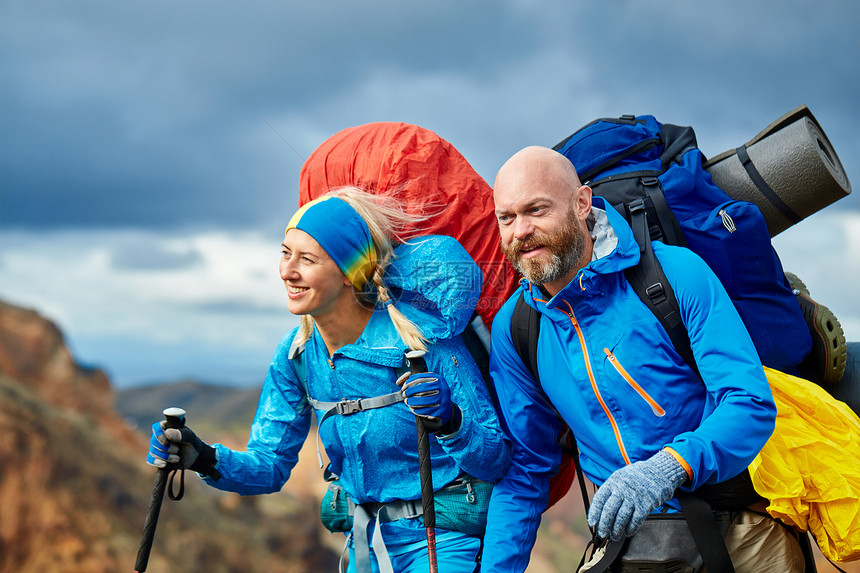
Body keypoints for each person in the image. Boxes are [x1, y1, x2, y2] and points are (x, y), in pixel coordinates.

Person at [147, 187, 511, 573]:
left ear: (347, 274)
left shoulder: (423, 343)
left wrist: (450, 420)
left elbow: (495, 460)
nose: (288, 271)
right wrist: (204, 457)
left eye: (307, 259)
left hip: (442, 546)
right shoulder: (299, 355)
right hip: (364, 549)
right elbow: (270, 466)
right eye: (285, 254)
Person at [481, 146, 806, 572]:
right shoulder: (519, 329)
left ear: (582, 203)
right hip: (631, 543)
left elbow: (749, 404)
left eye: (536, 210)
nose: (520, 230)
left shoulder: (674, 274)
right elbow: (526, 469)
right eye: (507, 218)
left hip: (738, 528)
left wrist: (667, 469)